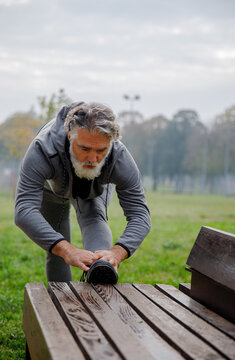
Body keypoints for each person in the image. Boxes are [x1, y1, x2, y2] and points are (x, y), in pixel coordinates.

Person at [15, 101, 151, 282]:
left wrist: (117, 252)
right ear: (70, 135)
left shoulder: (119, 157)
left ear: (111, 143)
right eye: (85, 148)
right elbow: (24, 211)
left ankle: (99, 277)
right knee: (57, 244)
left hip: (93, 187)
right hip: (51, 189)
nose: (93, 158)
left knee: (94, 217)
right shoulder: (42, 149)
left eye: (101, 150)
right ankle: (60, 301)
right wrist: (66, 250)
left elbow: (140, 215)